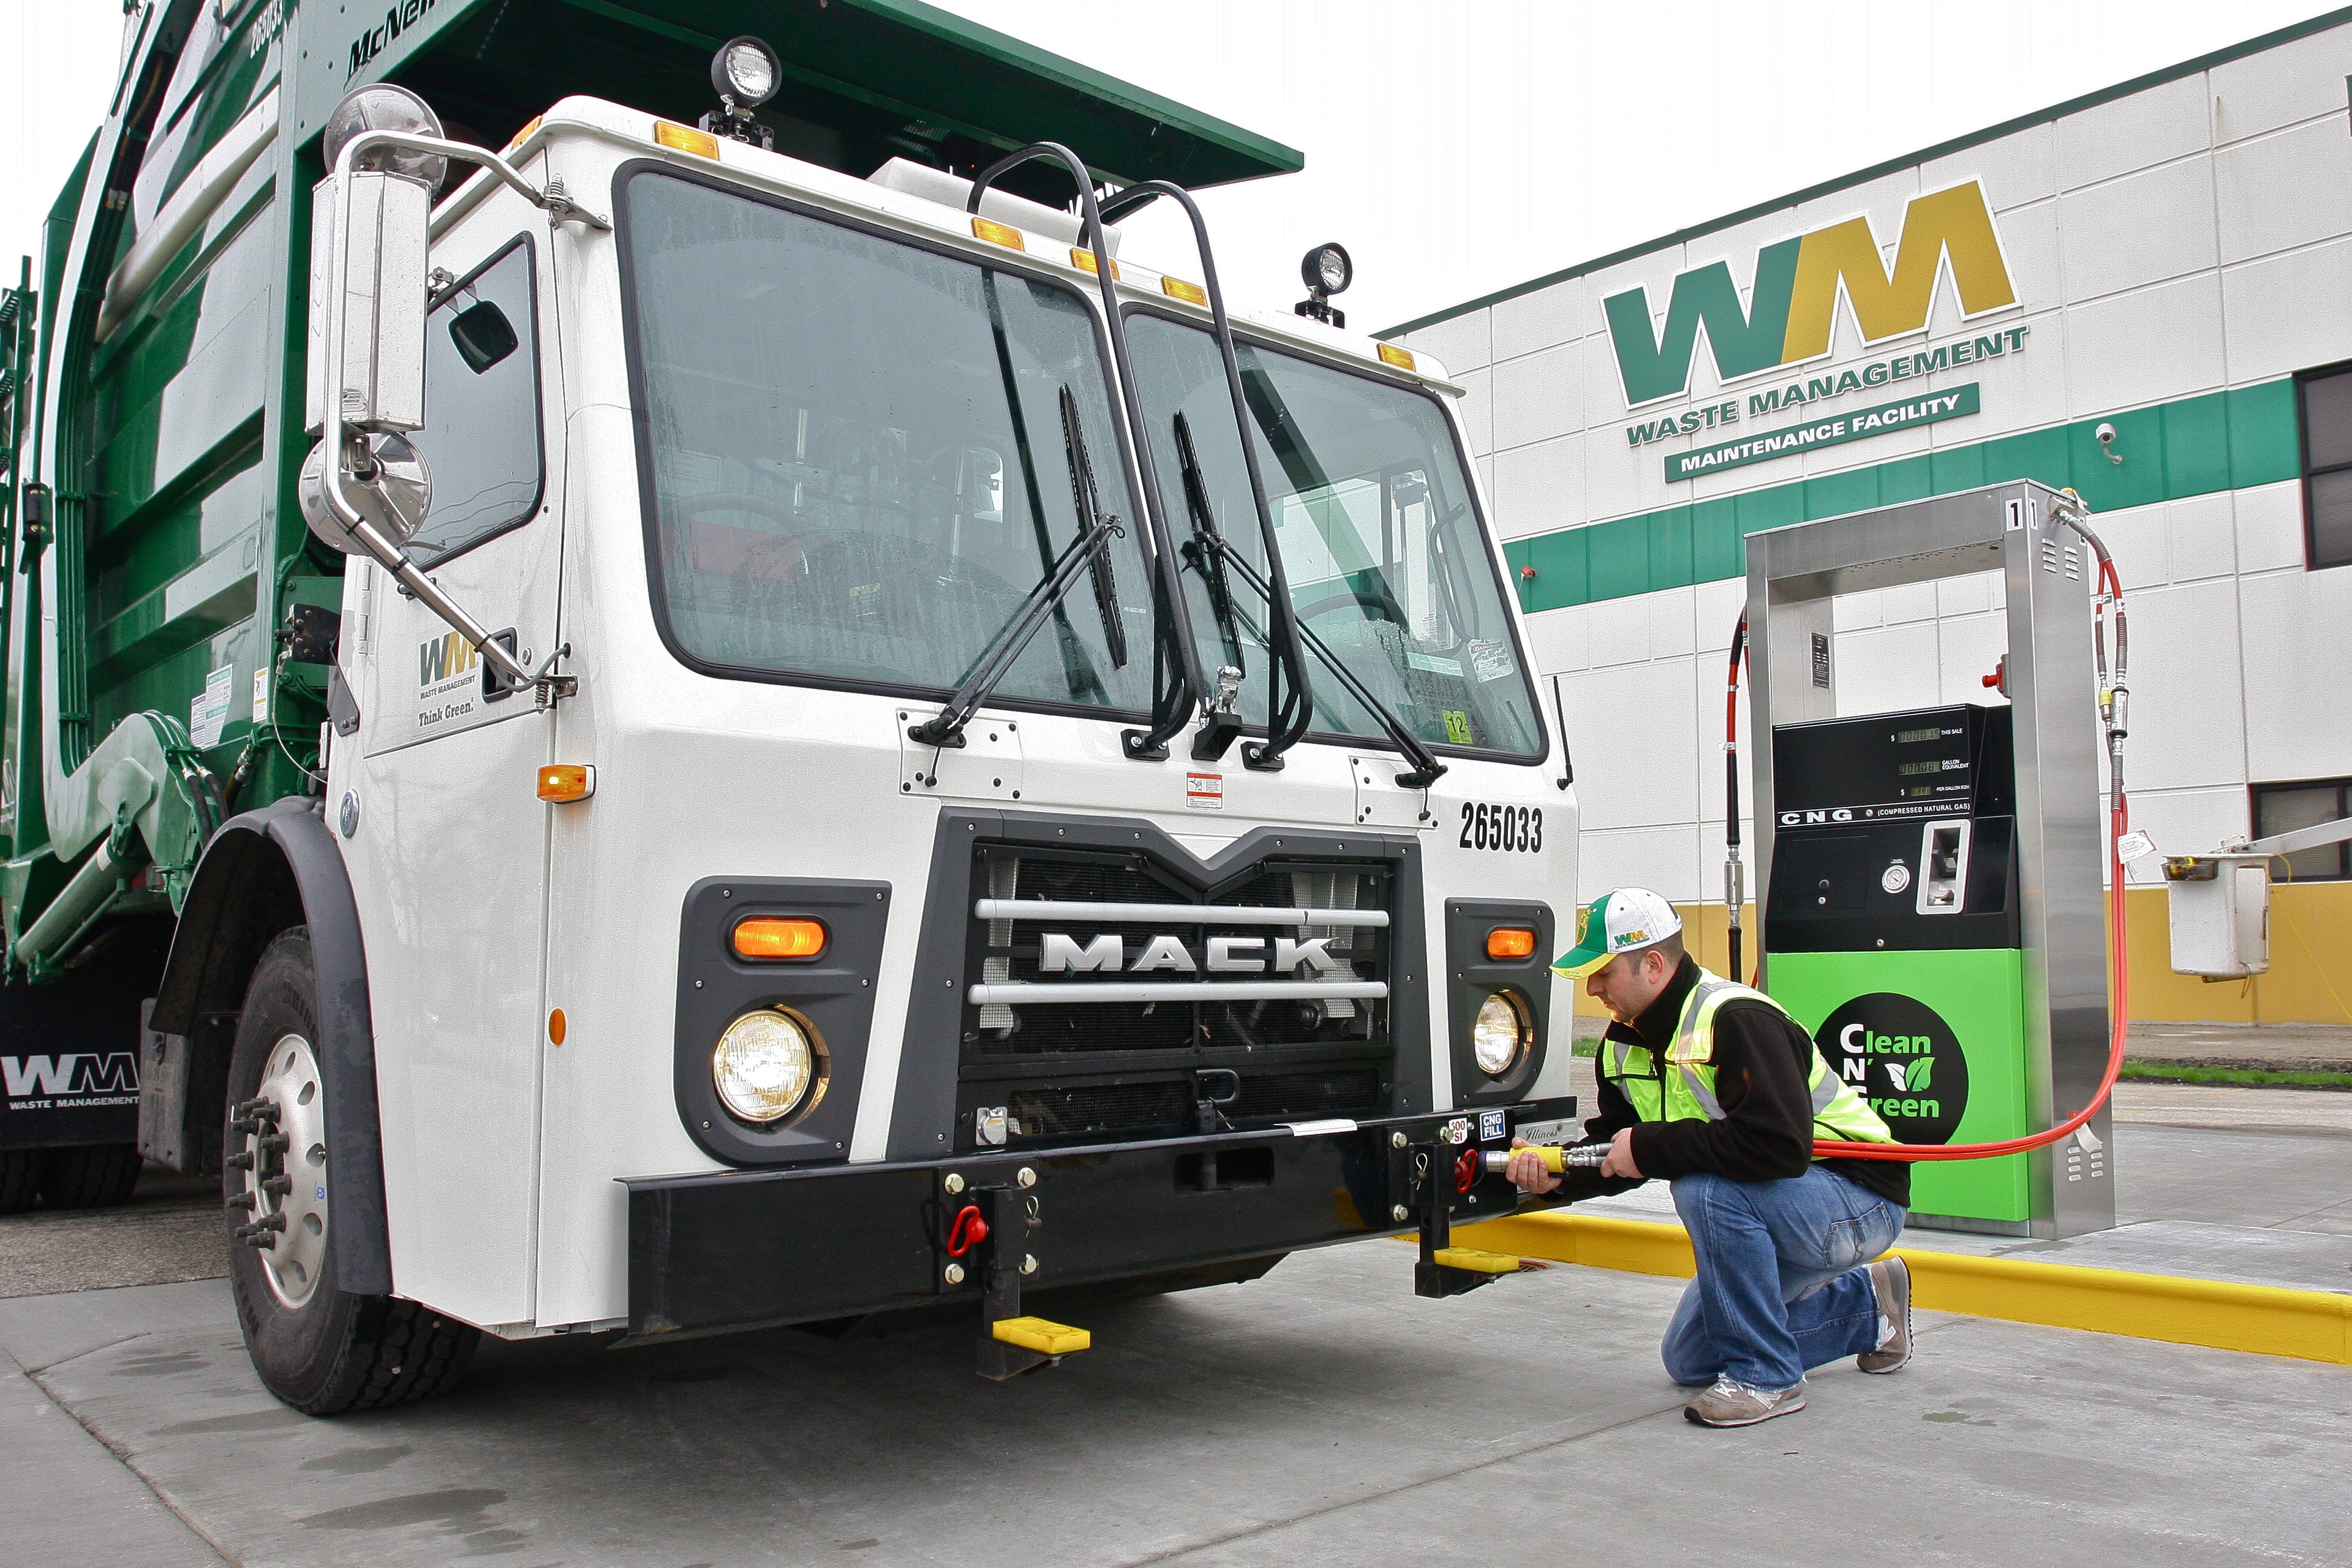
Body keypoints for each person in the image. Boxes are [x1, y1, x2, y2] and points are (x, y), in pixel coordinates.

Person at [1507, 887, 1914, 1428]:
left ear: (1652, 964)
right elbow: (1617, 1147)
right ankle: (1868, 1306)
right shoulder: (1622, 1044)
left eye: (1604, 971)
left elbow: (1779, 1148)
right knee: (1691, 1359)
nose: (1594, 987)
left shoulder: (1737, 1018)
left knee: (1704, 1187)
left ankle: (1766, 1378)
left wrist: (1652, 1148)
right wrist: (1553, 1174)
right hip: (1778, 1207)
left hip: (1855, 1200)